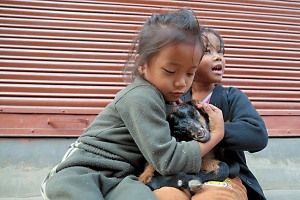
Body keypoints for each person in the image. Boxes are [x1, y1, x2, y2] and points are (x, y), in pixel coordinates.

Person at [40, 8, 225, 200]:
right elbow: (168, 160)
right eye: (170, 71)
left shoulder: (168, 100)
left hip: (121, 179)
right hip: (82, 173)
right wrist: (216, 135)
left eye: (189, 73)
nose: (181, 83)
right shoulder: (141, 96)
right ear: (142, 65)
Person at [152, 27, 269, 200]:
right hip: (178, 176)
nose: (218, 56)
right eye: (207, 51)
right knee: (164, 196)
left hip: (222, 175)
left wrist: (212, 128)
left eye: (221, 51)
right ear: (187, 62)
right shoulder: (174, 98)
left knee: (213, 197)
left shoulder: (231, 97)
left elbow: (257, 136)